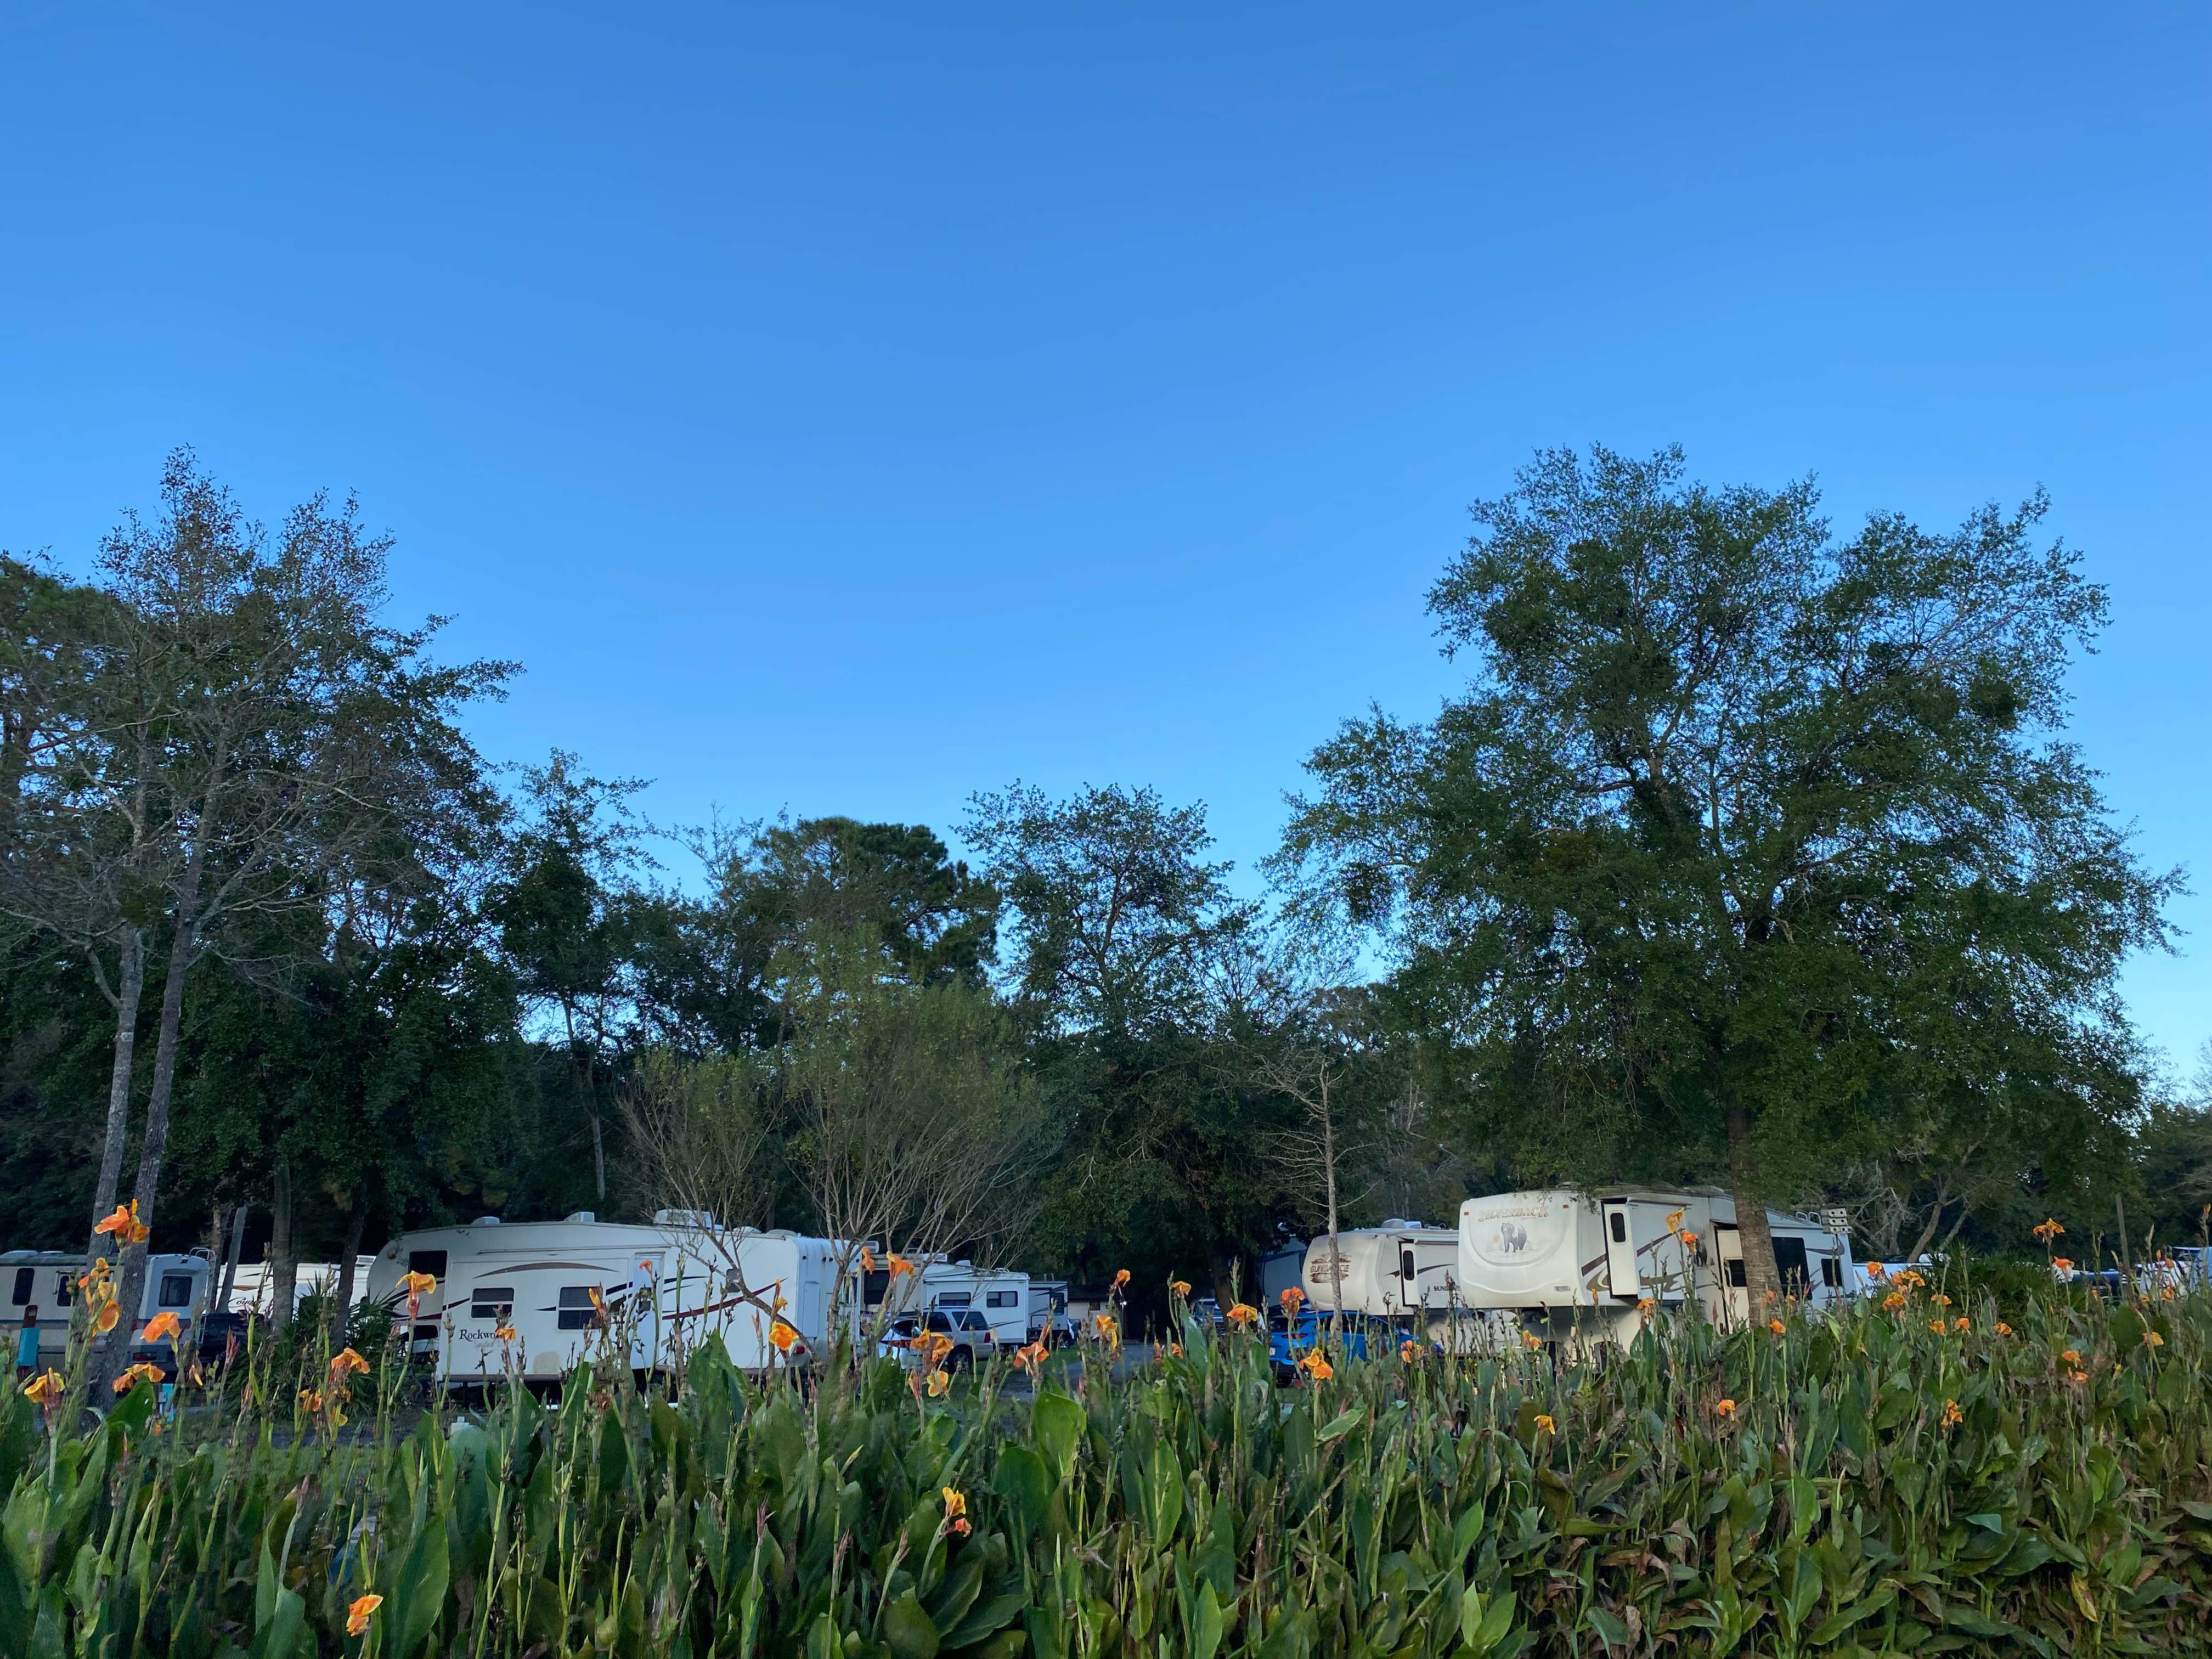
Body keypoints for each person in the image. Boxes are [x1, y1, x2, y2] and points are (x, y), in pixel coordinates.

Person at [14, 1306, 38, 1383]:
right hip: (27, 1356)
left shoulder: (28, 1333)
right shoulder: (30, 1333)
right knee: (25, 1368)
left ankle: (23, 1379)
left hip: (26, 1356)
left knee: (24, 1368)